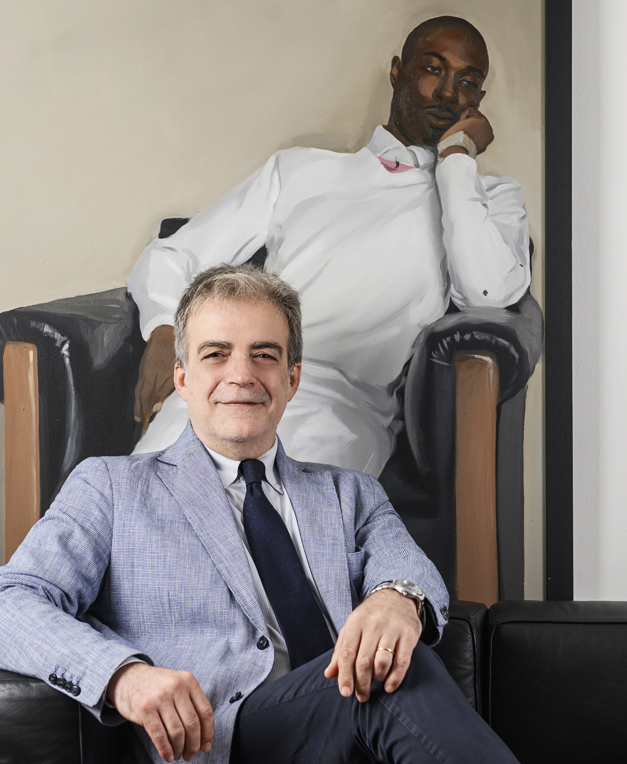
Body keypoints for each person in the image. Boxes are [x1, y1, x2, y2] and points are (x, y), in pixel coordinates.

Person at [0, 265, 519, 763]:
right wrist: (121, 676)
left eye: (264, 355)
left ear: (292, 378)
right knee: (385, 681)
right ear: (182, 378)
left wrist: (396, 600)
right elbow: (11, 603)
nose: (242, 375)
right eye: (216, 354)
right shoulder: (111, 487)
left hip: (354, 735)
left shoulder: (351, 493)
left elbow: (405, 565)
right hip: (220, 739)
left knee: (393, 661)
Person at [127, 15, 531, 477]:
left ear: (478, 101)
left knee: (276, 511)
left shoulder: (488, 199)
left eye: (467, 82)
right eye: (433, 69)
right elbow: (174, 253)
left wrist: (457, 160)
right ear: (397, 72)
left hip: (343, 412)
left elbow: (487, 293)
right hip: (238, 381)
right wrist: (163, 329)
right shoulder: (300, 171)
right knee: (147, 498)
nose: (447, 92)